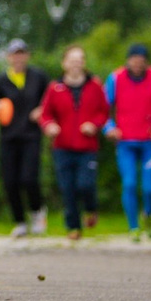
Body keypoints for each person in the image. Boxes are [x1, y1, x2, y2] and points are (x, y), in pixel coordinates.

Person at [35, 46, 108, 243]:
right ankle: (73, 226)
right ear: (64, 63)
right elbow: (45, 114)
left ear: (84, 63)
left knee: (85, 184)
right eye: (72, 60)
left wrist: (94, 125)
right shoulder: (55, 88)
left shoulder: (95, 85)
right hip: (62, 146)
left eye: (80, 60)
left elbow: (104, 111)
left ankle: (91, 209)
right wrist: (49, 126)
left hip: (87, 147)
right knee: (67, 188)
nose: (76, 64)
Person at [0, 38, 51, 235]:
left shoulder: (38, 77)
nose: (18, 57)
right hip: (9, 138)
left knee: (28, 178)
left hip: (31, 136)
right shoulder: (1, 81)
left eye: (22, 53)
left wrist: (42, 110)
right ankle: (20, 221)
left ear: (27, 56)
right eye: (14, 54)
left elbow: (52, 100)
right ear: (8, 57)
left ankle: (37, 211)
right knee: (10, 181)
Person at [105, 42, 151, 240]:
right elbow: (102, 108)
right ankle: (133, 227)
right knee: (129, 184)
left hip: (149, 141)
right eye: (134, 60)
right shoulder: (115, 78)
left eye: (141, 61)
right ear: (128, 61)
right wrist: (109, 128)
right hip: (125, 141)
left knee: (149, 188)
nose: (137, 64)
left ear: (146, 63)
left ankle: (150, 215)